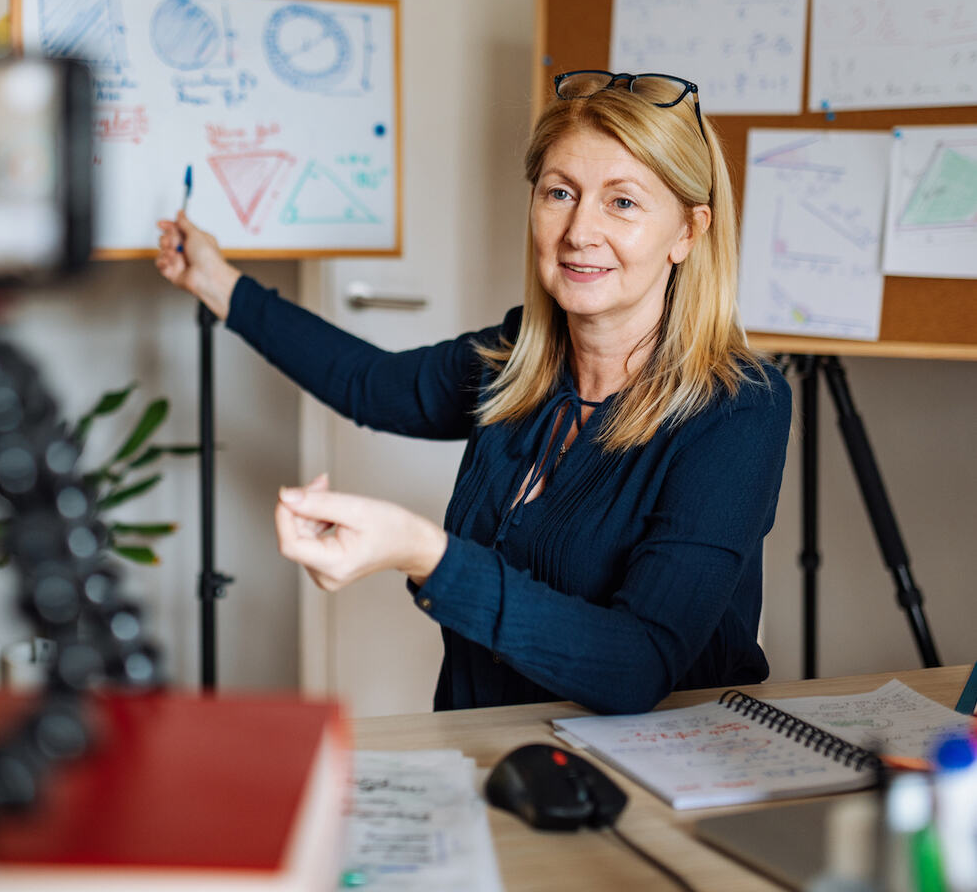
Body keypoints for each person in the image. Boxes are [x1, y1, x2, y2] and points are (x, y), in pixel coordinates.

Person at [155, 70, 792, 715]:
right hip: (492, 753)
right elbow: (369, 385)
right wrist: (218, 283)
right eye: (560, 192)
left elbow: (636, 664)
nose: (578, 230)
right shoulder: (516, 359)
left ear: (688, 231)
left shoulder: (739, 406)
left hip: (659, 778)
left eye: (622, 202)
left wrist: (421, 552)